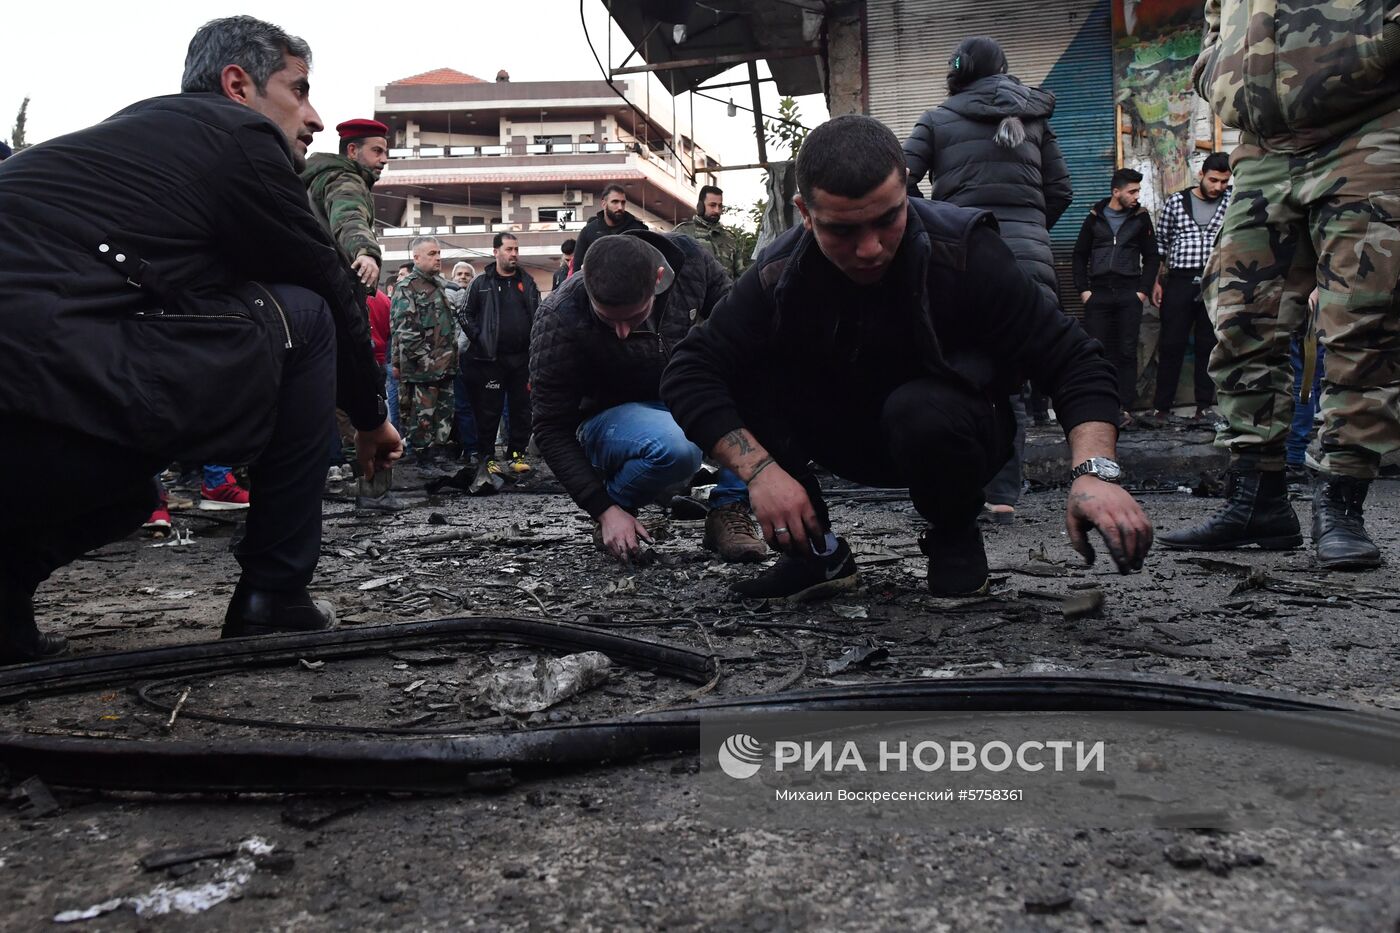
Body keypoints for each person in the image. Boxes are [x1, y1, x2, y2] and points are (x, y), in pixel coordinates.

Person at [0, 15, 401, 662]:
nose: (315, 117)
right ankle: (275, 591)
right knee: (304, 315)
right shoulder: (235, 133)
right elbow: (326, 279)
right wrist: (370, 416)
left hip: (30, 400)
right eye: (299, 90)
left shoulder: (133, 142)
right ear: (237, 85)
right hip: (33, 372)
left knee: (126, 495)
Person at [661, 115, 1152, 602]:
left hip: (948, 433)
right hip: (840, 436)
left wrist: (1094, 472)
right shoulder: (778, 274)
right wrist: (760, 471)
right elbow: (690, 369)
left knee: (920, 408)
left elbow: (1073, 359)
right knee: (742, 367)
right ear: (805, 214)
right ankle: (816, 552)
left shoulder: (966, 252)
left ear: (908, 188)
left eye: (887, 219)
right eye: (842, 230)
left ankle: (955, 537)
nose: (869, 249)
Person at [1162, 0, 1400, 570]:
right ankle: (1257, 501)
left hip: (1367, 130)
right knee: (1240, 319)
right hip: (1262, 146)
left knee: (1362, 318)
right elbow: (1217, 18)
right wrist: (1214, 68)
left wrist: (1377, 52)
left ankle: (1341, 505)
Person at [902, 35, 1073, 524]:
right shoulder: (1035, 118)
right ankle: (1001, 496)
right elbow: (1060, 190)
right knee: (1011, 382)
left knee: (956, 372)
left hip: (961, 259)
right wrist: (1030, 232)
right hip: (1029, 264)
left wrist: (935, 225)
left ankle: (959, 489)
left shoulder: (937, 118)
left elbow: (899, 179)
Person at [531, 231, 764, 564]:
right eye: (608, 319)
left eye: (633, 316)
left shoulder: (692, 265)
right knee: (677, 447)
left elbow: (740, 328)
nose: (622, 332)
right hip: (608, 419)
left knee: (756, 384)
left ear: (658, 279)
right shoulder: (560, 314)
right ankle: (620, 507)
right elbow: (550, 427)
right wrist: (603, 508)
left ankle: (729, 508)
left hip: (680, 396)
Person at [1145, 152, 1232, 426]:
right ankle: (1161, 408)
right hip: (1179, 280)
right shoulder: (1176, 202)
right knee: (1172, 343)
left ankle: (1203, 407)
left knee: (1209, 344)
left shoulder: (1232, 201)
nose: (1218, 187)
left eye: (1224, 182)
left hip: (1215, 281)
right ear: (1201, 175)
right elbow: (1161, 243)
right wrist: (1156, 281)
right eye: (1213, 180)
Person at [1071, 169, 1159, 429]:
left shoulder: (1141, 218)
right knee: (1096, 350)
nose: (1136, 196)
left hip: (1129, 292)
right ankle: (1098, 407)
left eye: (1138, 191)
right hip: (1098, 293)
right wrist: (1084, 290)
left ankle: (1125, 408)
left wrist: (1142, 291)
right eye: (1132, 191)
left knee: (1127, 351)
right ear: (1116, 192)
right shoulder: (1094, 217)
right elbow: (1079, 255)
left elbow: (1152, 256)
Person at [459, 233, 539, 487]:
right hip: (490, 360)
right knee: (489, 410)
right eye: (508, 249)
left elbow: (539, 315)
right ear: (496, 252)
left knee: (521, 408)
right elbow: (464, 314)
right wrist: (480, 338)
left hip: (522, 359)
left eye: (516, 249)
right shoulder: (481, 283)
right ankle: (488, 457)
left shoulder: (527, 282)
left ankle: (516, 454)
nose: (514, 254)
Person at [390, 235, 458, 470]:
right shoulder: (406, 287)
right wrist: (426, 360)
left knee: (444, 414)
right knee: (422, 418)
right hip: (422, 370)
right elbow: (405, 331)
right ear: (416, 258)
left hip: (446, 365)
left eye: (439, 253)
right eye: (432, 254)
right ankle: (422, 460)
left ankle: (438, 456)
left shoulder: (439, 285)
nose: (438, 258)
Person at [301, 118, 388, 290]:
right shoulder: (345, 179)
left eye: (385, 153)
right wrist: (365, 251)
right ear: (352, 150)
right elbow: (349, 215)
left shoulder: (323, 177)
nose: (384, 159)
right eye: (377, 151)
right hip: (334, 284)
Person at [571, 183, 648, 270]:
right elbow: (577, 269)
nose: (620, 207)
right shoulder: (589, 231)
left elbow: (648, 264)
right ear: (604, 204)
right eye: (615, 202)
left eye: (623, 202)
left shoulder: (638, 230)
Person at [673, 185, 743, 280]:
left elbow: (740, 275)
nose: (717, 210)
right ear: (700, 206)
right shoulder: (682, 233)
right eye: (712, 205)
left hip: (725, 289)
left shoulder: (729, 238)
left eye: (720, 206)